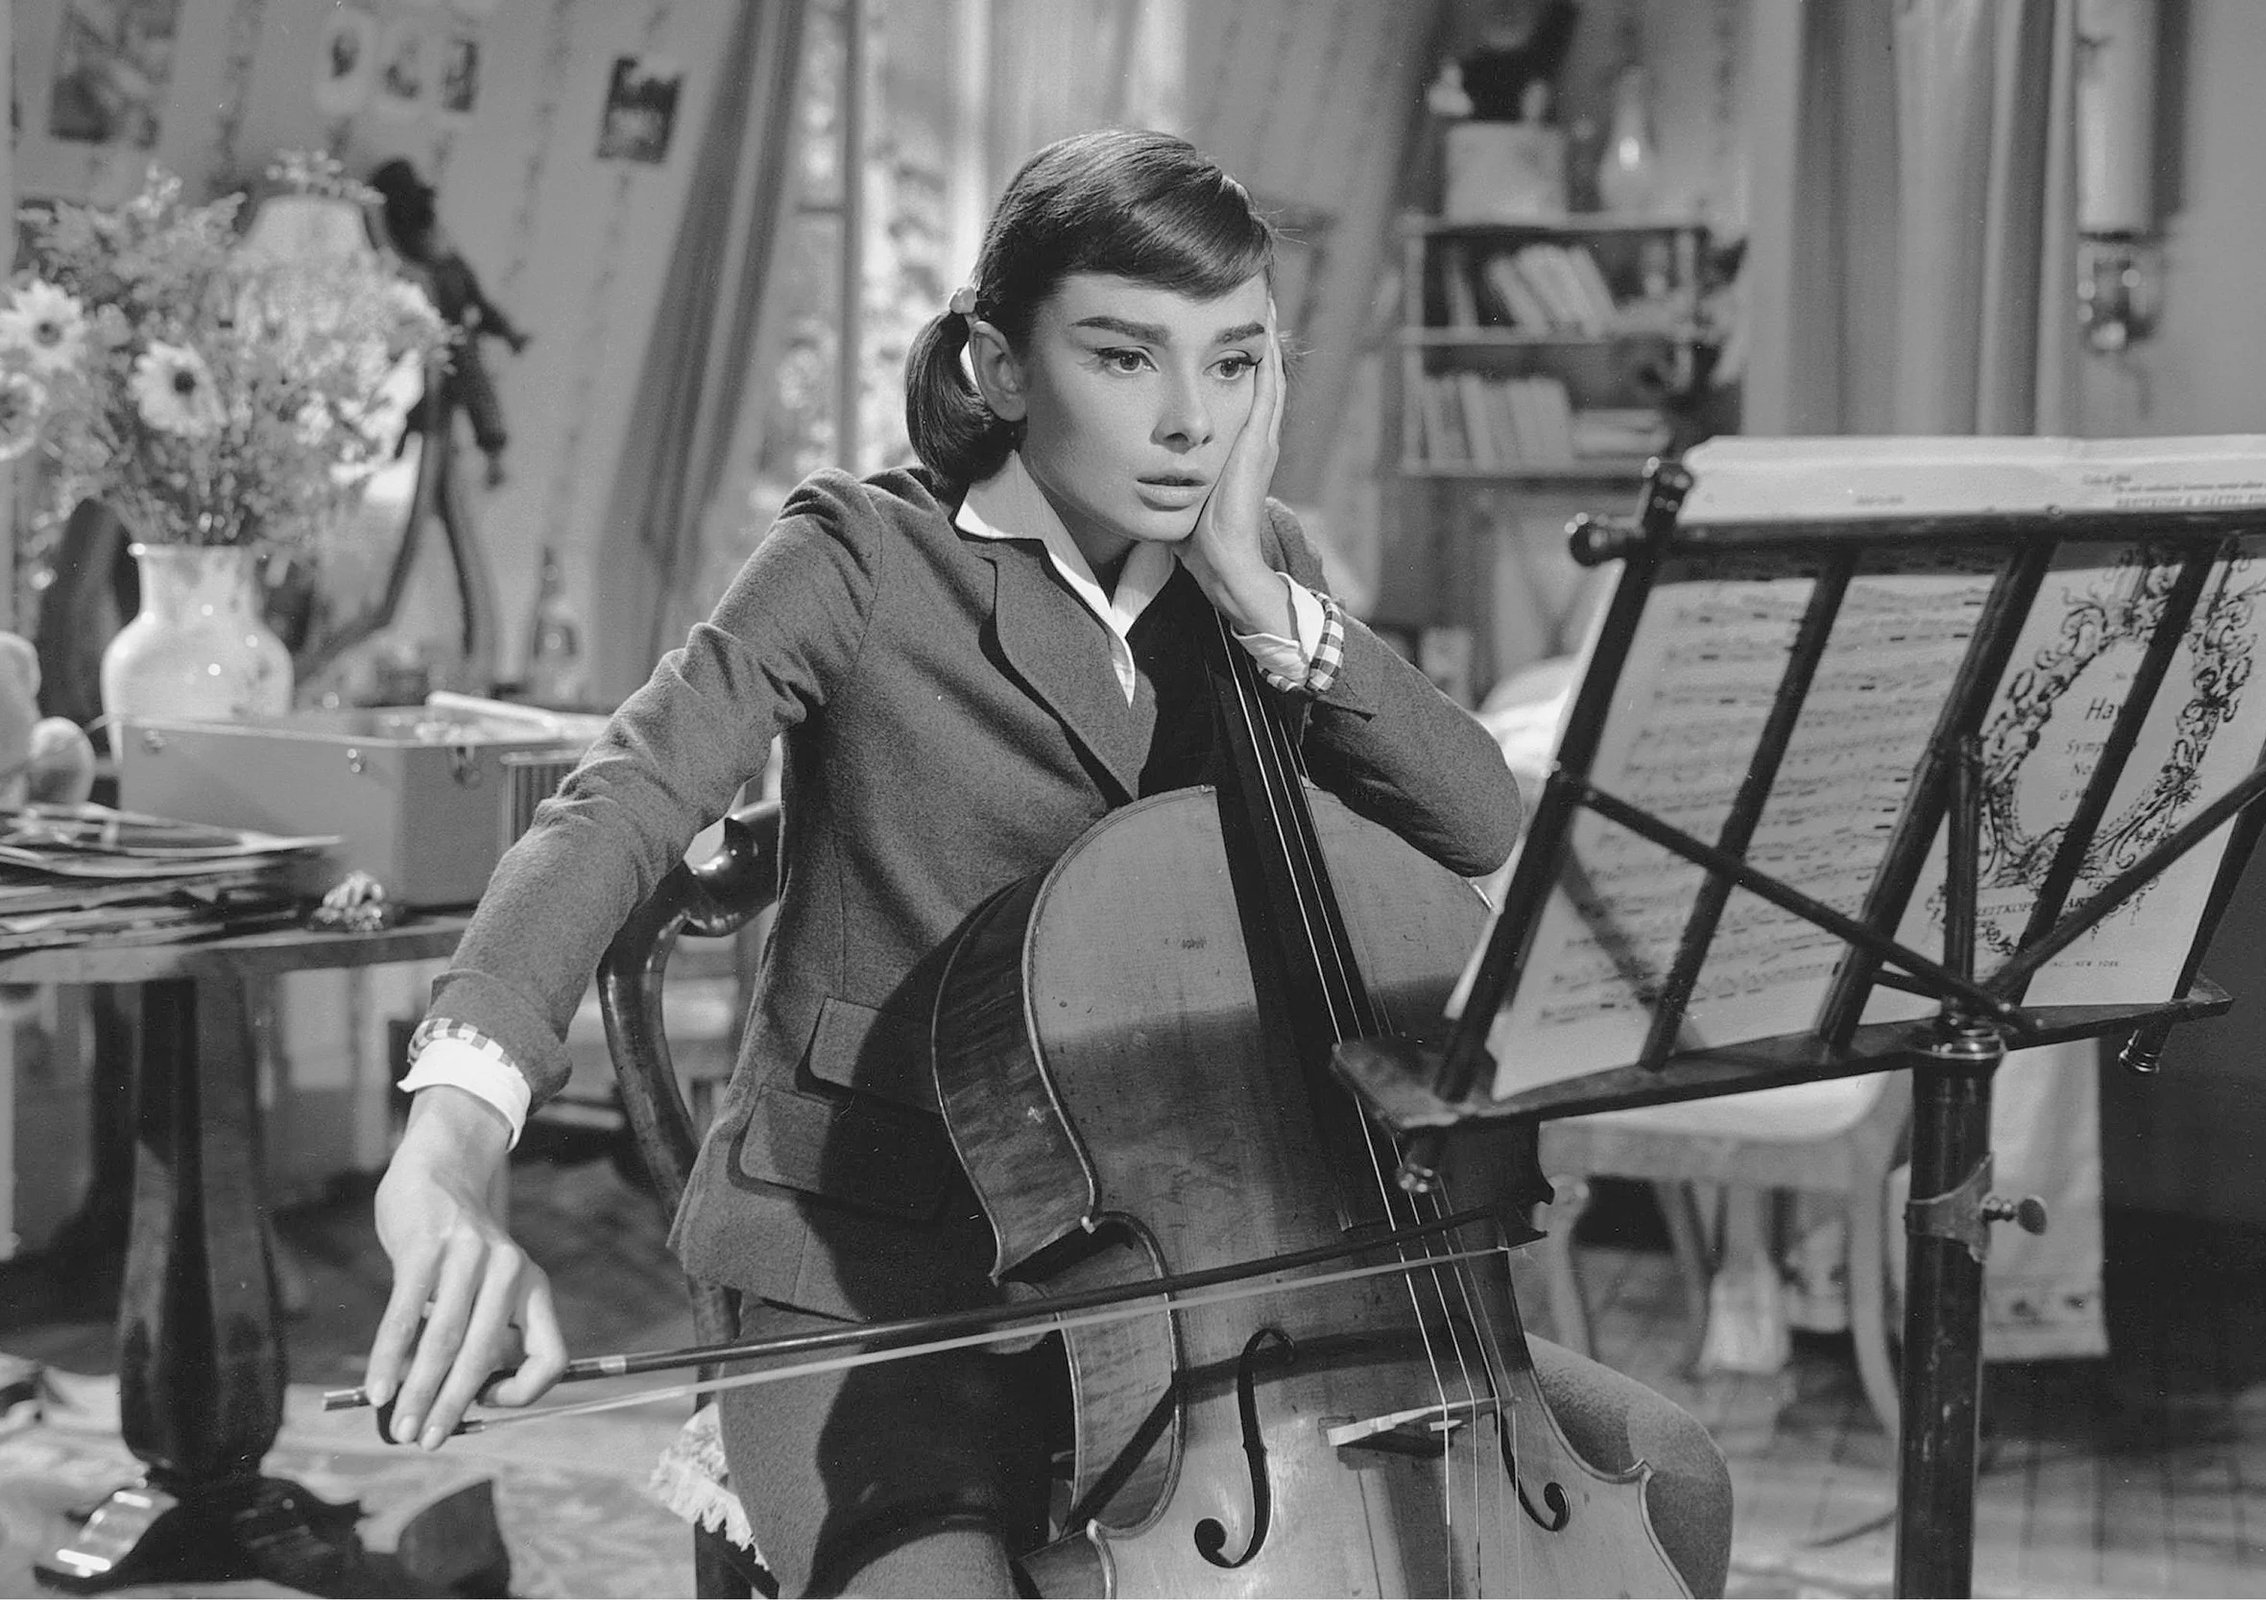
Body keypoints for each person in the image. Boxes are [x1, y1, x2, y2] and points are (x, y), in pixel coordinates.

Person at [364, 128, 1731, 1598]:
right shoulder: (864, 555)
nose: (1190, 422)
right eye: (1128, 357)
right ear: (1000, 369)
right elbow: (618, 805)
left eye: (1236, 362)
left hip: (1218, 1268)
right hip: (877, 1280)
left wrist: (1261, 595)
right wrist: (450, 1141)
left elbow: (1483, 827)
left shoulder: (1260, 587)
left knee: (1673, 1484)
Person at [367, 158, 531, 489]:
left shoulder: (447, 262)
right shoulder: (411, 262)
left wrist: (506, 332)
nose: (436, 233)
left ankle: (490, 454)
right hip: (424, 342)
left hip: (447, 341)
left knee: (463, 383)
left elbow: (478, 303)